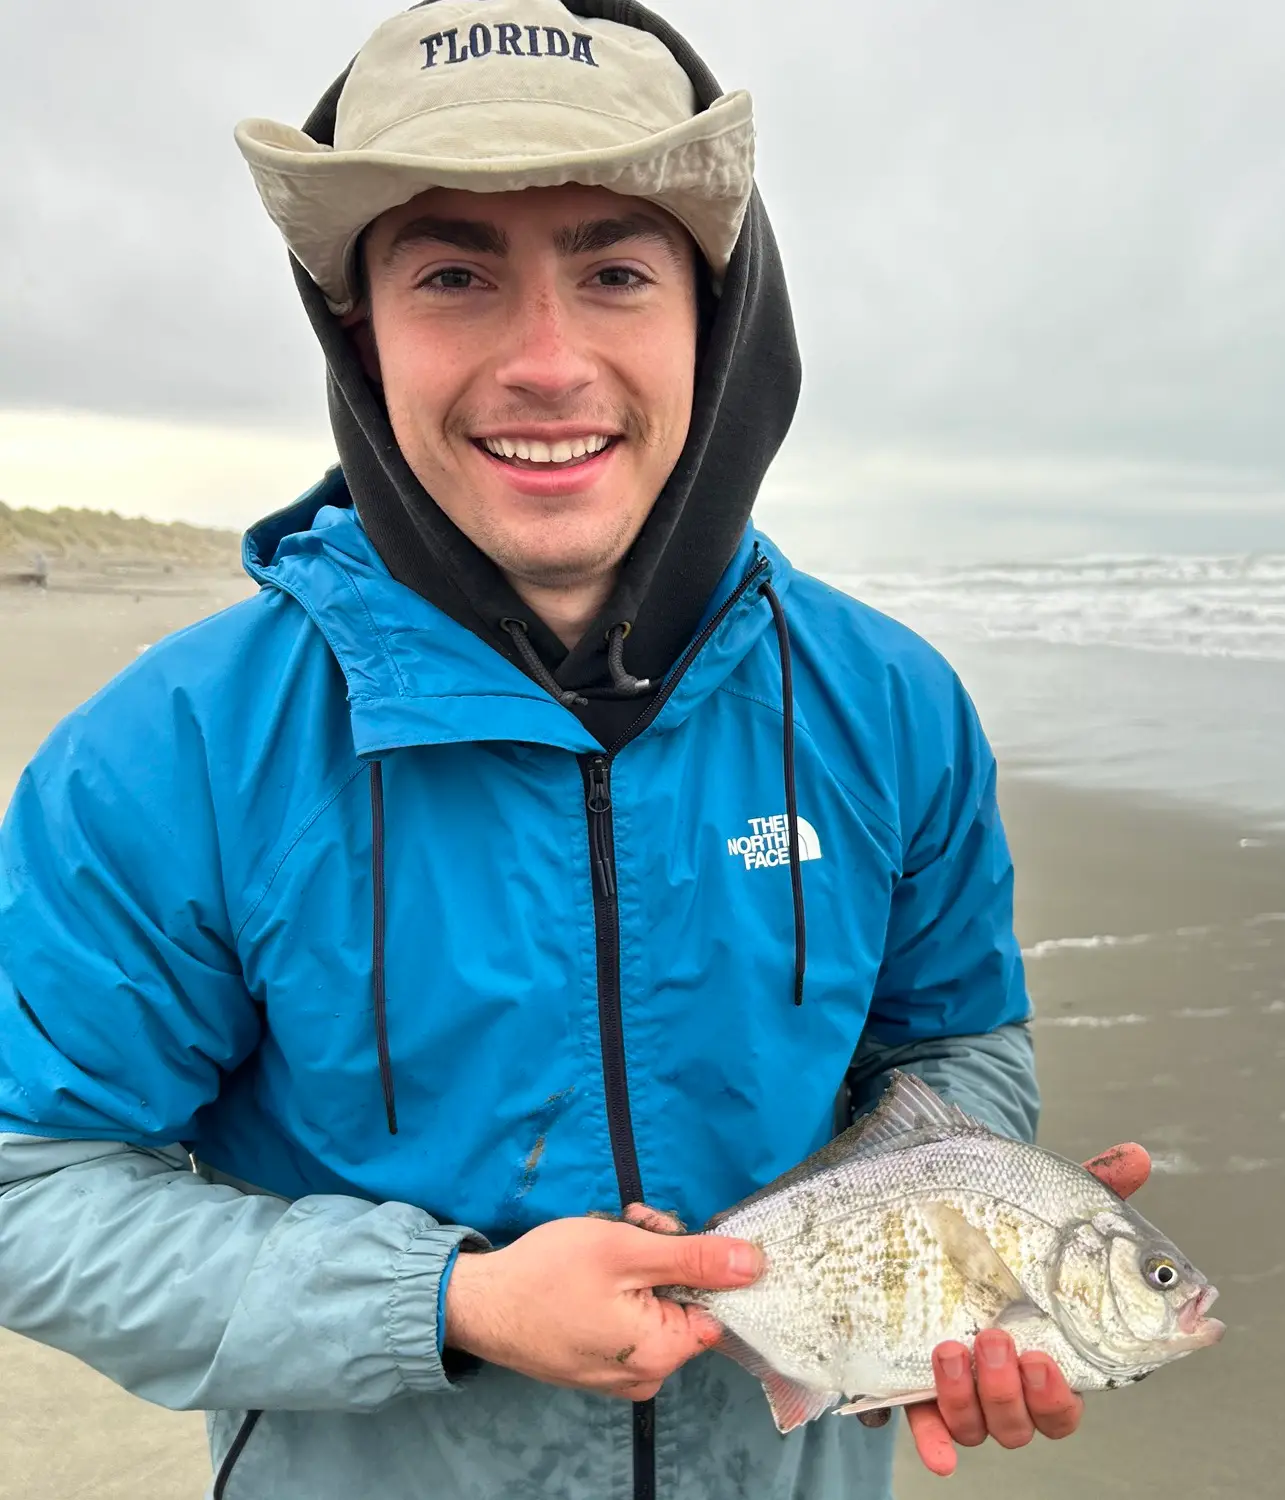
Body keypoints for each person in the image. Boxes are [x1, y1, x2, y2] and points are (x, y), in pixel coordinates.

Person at [0, 2, 1150, 1496]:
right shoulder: (170, 755)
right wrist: (446, 1304)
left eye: (614, 269)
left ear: (713, 322)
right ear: (361, 330)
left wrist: (943, 1232)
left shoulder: (891, 706)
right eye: (454, 273)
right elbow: (31, 1178)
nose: (546, 363)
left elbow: (953, 1044)